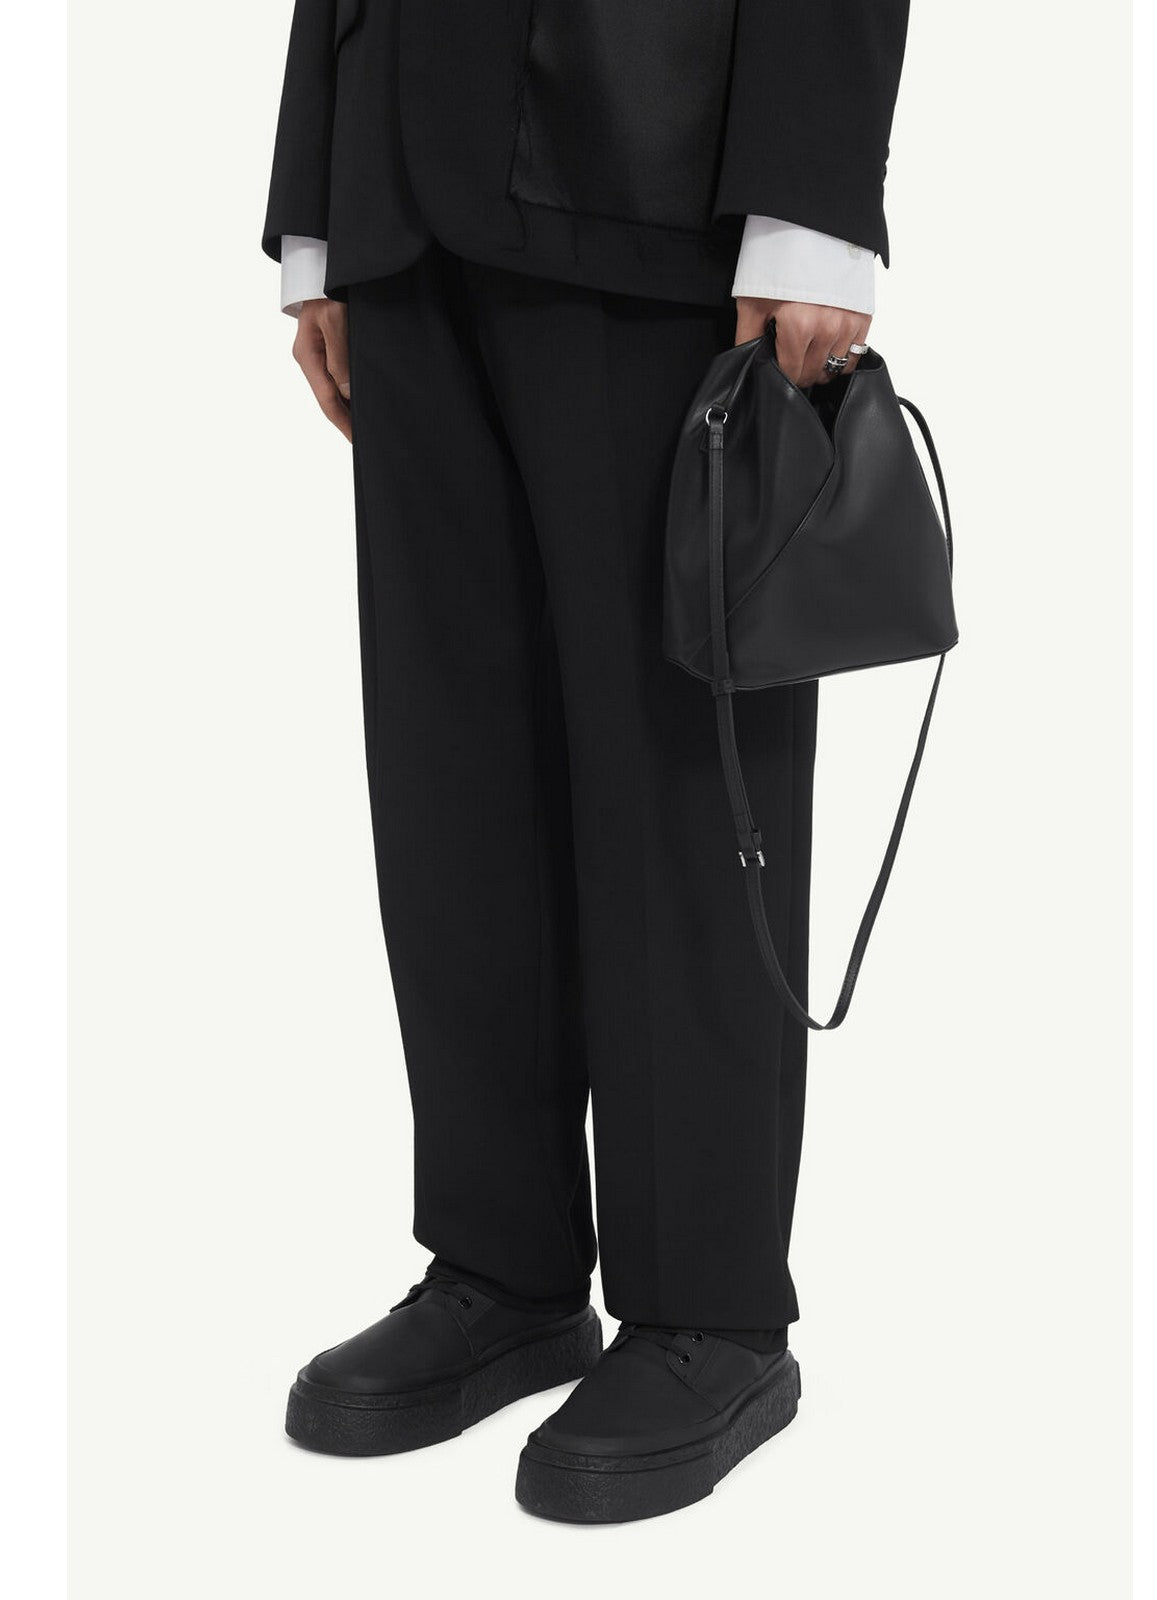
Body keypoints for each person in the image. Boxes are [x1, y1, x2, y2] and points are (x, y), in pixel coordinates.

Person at [263, 0, 910, 1523]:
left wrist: (813, 203)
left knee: (674, 763)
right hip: (401, 185)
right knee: (451, 772)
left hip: (660, 166)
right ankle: (503, 1267)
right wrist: (318, 211)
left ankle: (710, 1310)